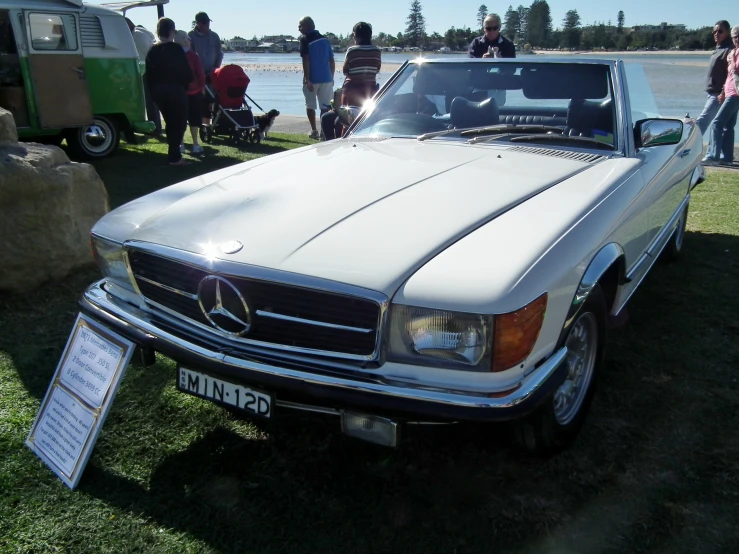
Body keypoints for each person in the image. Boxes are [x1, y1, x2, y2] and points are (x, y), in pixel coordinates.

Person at [321, 21, 381, 141]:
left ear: (357, 35)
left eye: (354, 35)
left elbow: (345, 70)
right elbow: (377, 69)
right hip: (370, 90)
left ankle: (345, 142)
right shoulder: (376, 51)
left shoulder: (352, 50)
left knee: (347, 120)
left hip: (352, 90)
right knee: (366, 118)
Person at [145, 18, 193, 166]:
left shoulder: (152, 50)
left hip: (158, 92)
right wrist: (183, 87)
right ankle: (174, 157)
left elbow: (149, 74)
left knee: (171, 122)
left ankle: (174, 154)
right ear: (171, 31)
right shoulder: (176, 49)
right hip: (174, 90)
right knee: (178, 123)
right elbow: (186, 73)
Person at [696, 20, 733, 161]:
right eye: (714, 32)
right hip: (713, 92)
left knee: (704, 122)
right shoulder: (719, 48)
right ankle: (725, 157)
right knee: (724, 125)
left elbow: (730, 74)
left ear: (727, 32)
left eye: (720, 31)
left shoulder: (729, 49)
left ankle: (693, 150)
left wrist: (723, 91)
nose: (716, 34)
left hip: (719, 93)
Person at [703, 25, 739, 166]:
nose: (737, 39)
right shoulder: (732, 53)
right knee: (728, 127)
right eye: (735, 37)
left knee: (716, 123)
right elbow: (729, 75)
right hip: (729, 91)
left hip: (736, 94)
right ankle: (727, 158)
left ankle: (713, 156)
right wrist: (723, 92)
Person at [298, 16, 335, 139]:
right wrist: (332, 77)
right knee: (326, 106)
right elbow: (331, 60)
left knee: (310, 105)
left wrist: (307, 78)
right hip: (327, 78)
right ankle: (324, 132)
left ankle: (314, 130)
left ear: (307, 26)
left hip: (313, 79)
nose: (299, 28)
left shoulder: (305, 39)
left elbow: (306, 60)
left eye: (300, 26)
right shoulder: (325, 40)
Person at [125, 17, 162, 138]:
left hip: (147, 70)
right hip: (149, 69)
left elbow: (146, 54)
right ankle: (155, 126)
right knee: (150, 101)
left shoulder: (136, 35)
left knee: (150, 101)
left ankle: (155, 128)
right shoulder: (141, 32)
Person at [174, 30, 206, 155]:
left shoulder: (173, 55)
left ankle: (181, 144)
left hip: (178, 92)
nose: (190, 41)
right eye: (188, 38)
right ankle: (195, 144)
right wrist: (202, 87)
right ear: (185, 40)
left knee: (180, 119)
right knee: (194, 119)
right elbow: (200, 74)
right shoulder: (193, 56)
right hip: (194, 91)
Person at [188, 12, 222, 125]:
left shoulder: (215, 36)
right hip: (198, 76)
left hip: (213, 74)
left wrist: (216, 67)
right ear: (198, 23)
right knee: (203, 101)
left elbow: (219, 54)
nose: (207, 25)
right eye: (204, 23)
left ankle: (217, 125)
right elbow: (190, 56)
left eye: (208, 22)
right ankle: (204, 126)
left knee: (216, 99)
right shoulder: (191, 36)